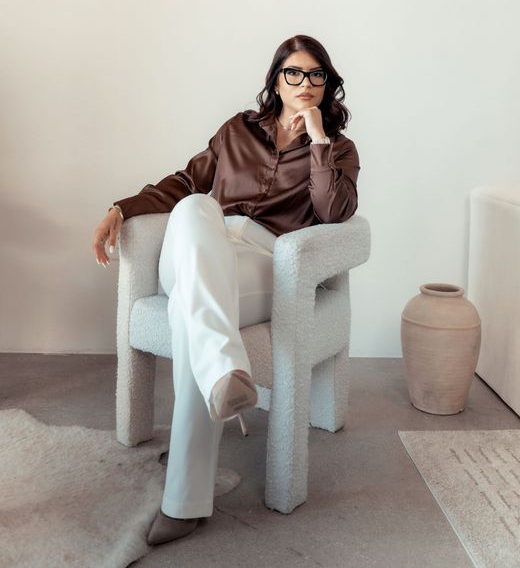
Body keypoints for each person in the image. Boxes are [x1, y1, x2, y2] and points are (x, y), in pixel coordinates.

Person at [91, 34, 360, 547]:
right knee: (195, 208)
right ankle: (225, 371)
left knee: (192, 312)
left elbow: (332, 213)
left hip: (266, 264)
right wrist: (121, 208)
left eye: (317, 75)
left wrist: (320, 140)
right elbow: (185, 182)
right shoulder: (237, 130)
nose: (305, 84)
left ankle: (186, 497)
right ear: (275, 80)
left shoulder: (340, 149)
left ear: (328, 85)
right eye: (294, 74)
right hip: (200, 246)